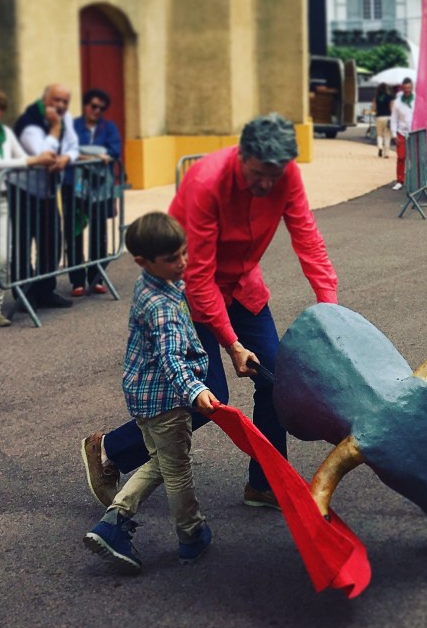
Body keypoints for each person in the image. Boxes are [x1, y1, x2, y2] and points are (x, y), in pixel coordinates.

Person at [81, 114, 338, 511]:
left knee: (276, 380)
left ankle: (265, 483)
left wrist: (330, 308)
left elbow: (308, 239)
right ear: (242, 156)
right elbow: (199, 277)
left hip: (244, 288)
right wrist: (232, 344)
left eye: (274, 175)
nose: (266, 185)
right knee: (208, 396)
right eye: (258, 174)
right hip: (190, 293)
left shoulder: (285, 176)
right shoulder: (206, 182)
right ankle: (109, 449)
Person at [84, 213, 221, 574]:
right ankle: (190, 534)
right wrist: (195, 390)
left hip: (144, 396)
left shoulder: (152, 284)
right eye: (173, 258)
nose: (183, 262)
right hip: (167, 401)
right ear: (143, 261)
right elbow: (170, 357)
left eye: (184, 253)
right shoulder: (162, 307)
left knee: (162, 463)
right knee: (177, 470)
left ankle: (114, 522)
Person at [0, 88, 53, 327]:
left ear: (1, 111)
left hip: (1, 200)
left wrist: (45, 158)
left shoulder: (6, 133)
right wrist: (35, 160)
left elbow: (20, 156)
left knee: (3, 257)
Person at [11, 83, 79, 309]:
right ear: (45, 100)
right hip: (23, 191)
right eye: (56, 100)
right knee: (22, 243)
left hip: (48, 192)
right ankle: (24, 294)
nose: (60, 105)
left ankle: (45, 290)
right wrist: (56, 128)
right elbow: (43, 153)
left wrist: (66, 158)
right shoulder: (29, 121)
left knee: (52, 242)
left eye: (65, 101)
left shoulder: (65, 117)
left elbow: (73, 146)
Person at [68, 87, 122, 296]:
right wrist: (94, 156)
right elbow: (68, 150)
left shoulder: (109, 127)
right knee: (75, 233)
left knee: (99, 234)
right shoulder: (73, 126)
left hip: (100, 189)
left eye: (101, 108)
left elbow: (114, 150)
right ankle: (77, 281)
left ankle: (96, 277)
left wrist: (84, 155)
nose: (97, 111)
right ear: (85, 106)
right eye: (93, 106)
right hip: (75, 187)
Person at [389, 77, 415, 190]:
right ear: (402, 89)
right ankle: (400, 180)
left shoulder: (417, 100)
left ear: (412, 88)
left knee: (415, 158)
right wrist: (394, 134)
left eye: (409, 87)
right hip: (401, 132)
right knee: (401, 157)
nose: (407, 90)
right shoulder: (397, 102)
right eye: (405, 88)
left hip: (415, 132)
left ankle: (415, 180)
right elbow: (394, 119)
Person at [372, 82, 393, 157]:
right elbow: (391, 108)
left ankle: (380, 147)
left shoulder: (376, 98)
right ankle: (386, 153)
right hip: (387, 117)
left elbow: (374, 108)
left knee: (379, 134)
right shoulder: (390, 97)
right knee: (387, 136)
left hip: (379, 117)